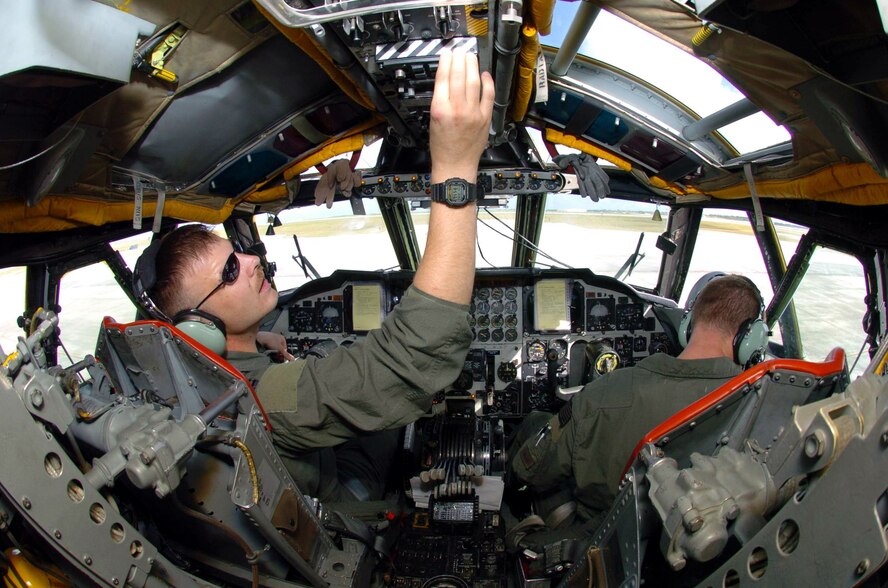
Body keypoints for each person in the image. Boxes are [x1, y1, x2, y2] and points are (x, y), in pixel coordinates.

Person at [136, 49, 495, 502]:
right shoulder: (263, 396)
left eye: (240, 250)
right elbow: (417, 348)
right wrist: (457, 168)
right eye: (229, 270)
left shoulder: (204, 379)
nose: (251, 262)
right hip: (342, 505)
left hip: (305, 444)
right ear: (195, 328)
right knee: (399, 417)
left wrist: (250, 344)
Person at [509, 274, 765, 529]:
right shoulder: (758, 406)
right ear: (750, 338)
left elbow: (532, 470)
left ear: (687, 324)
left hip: (597, 534)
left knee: (536, 424)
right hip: (691, 531)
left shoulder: (601, 395)